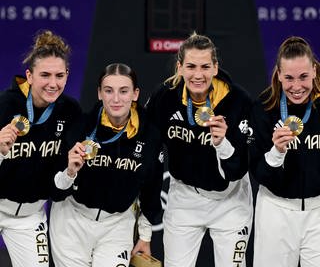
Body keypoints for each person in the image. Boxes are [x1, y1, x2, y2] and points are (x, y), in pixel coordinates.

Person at [146, 33, 253, 267]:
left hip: (231, 200)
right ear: (180, 67)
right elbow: (147, 151)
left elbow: (239, 169)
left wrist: (223, 144)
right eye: (191, 66)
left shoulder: (238, 101)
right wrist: (145, 225)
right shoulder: (164, 97)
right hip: (184, 198)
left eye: (205, 66)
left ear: (215, 68)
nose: (198, 75)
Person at [49, 63, 164, 267]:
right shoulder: (80, 127)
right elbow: (56, 190)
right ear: (99, 94)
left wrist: (145, 236)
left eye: (124, 91)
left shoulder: (151, 137)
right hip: (72, 222)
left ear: (135, 94)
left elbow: (152, 189)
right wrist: (70, 172)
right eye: (108, 91)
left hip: (117, 225)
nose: (116, 99)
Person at [0, 29, 82, 267]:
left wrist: (70, 172)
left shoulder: (70, 112)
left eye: (59, 75)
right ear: (30, 75)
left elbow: (59, 184)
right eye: (45, 75)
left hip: (30, 216)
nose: (53, 83)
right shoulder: (5, 105)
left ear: (67, 76)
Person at [249, 36, 320, 267]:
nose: (297, 87)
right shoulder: (263, 108)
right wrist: (277, 152)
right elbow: (258, 173)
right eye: (289, 78)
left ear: (314, 71)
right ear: (278, 74)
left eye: (303, 77)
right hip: (275, 210)